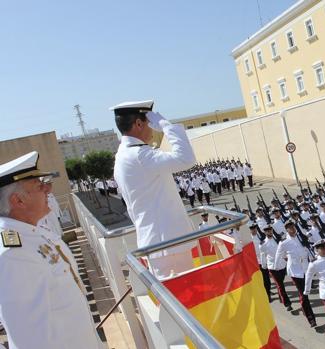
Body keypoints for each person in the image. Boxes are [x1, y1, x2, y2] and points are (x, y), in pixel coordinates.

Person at [0, 151, 101, 348]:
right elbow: (29, 339)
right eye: (39, 186)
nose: (48, 188)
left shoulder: (35, 233)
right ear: (18, 201)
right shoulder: (13, 255)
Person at [112, 100, 197, 279]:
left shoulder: (123, 154)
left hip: (159, 242)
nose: (152, 128)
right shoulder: (140, 155)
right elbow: (186, 158)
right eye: (149, 122)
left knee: (173, 300)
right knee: (182, 300)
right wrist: (167, 126)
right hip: (168, 244)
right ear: (139, 124)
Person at [275, 220, 316, 328]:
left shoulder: (301, 237)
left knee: (305, 292)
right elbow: (279, 255)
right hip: (295, 270)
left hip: (306, 268)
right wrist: (277, 268)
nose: (292, 229)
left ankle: (304, 308)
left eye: (293, 226)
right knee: (304, 294)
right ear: (286, 230)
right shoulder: (284, 243)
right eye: (289, 227)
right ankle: (311, 318)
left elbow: (310, 249)